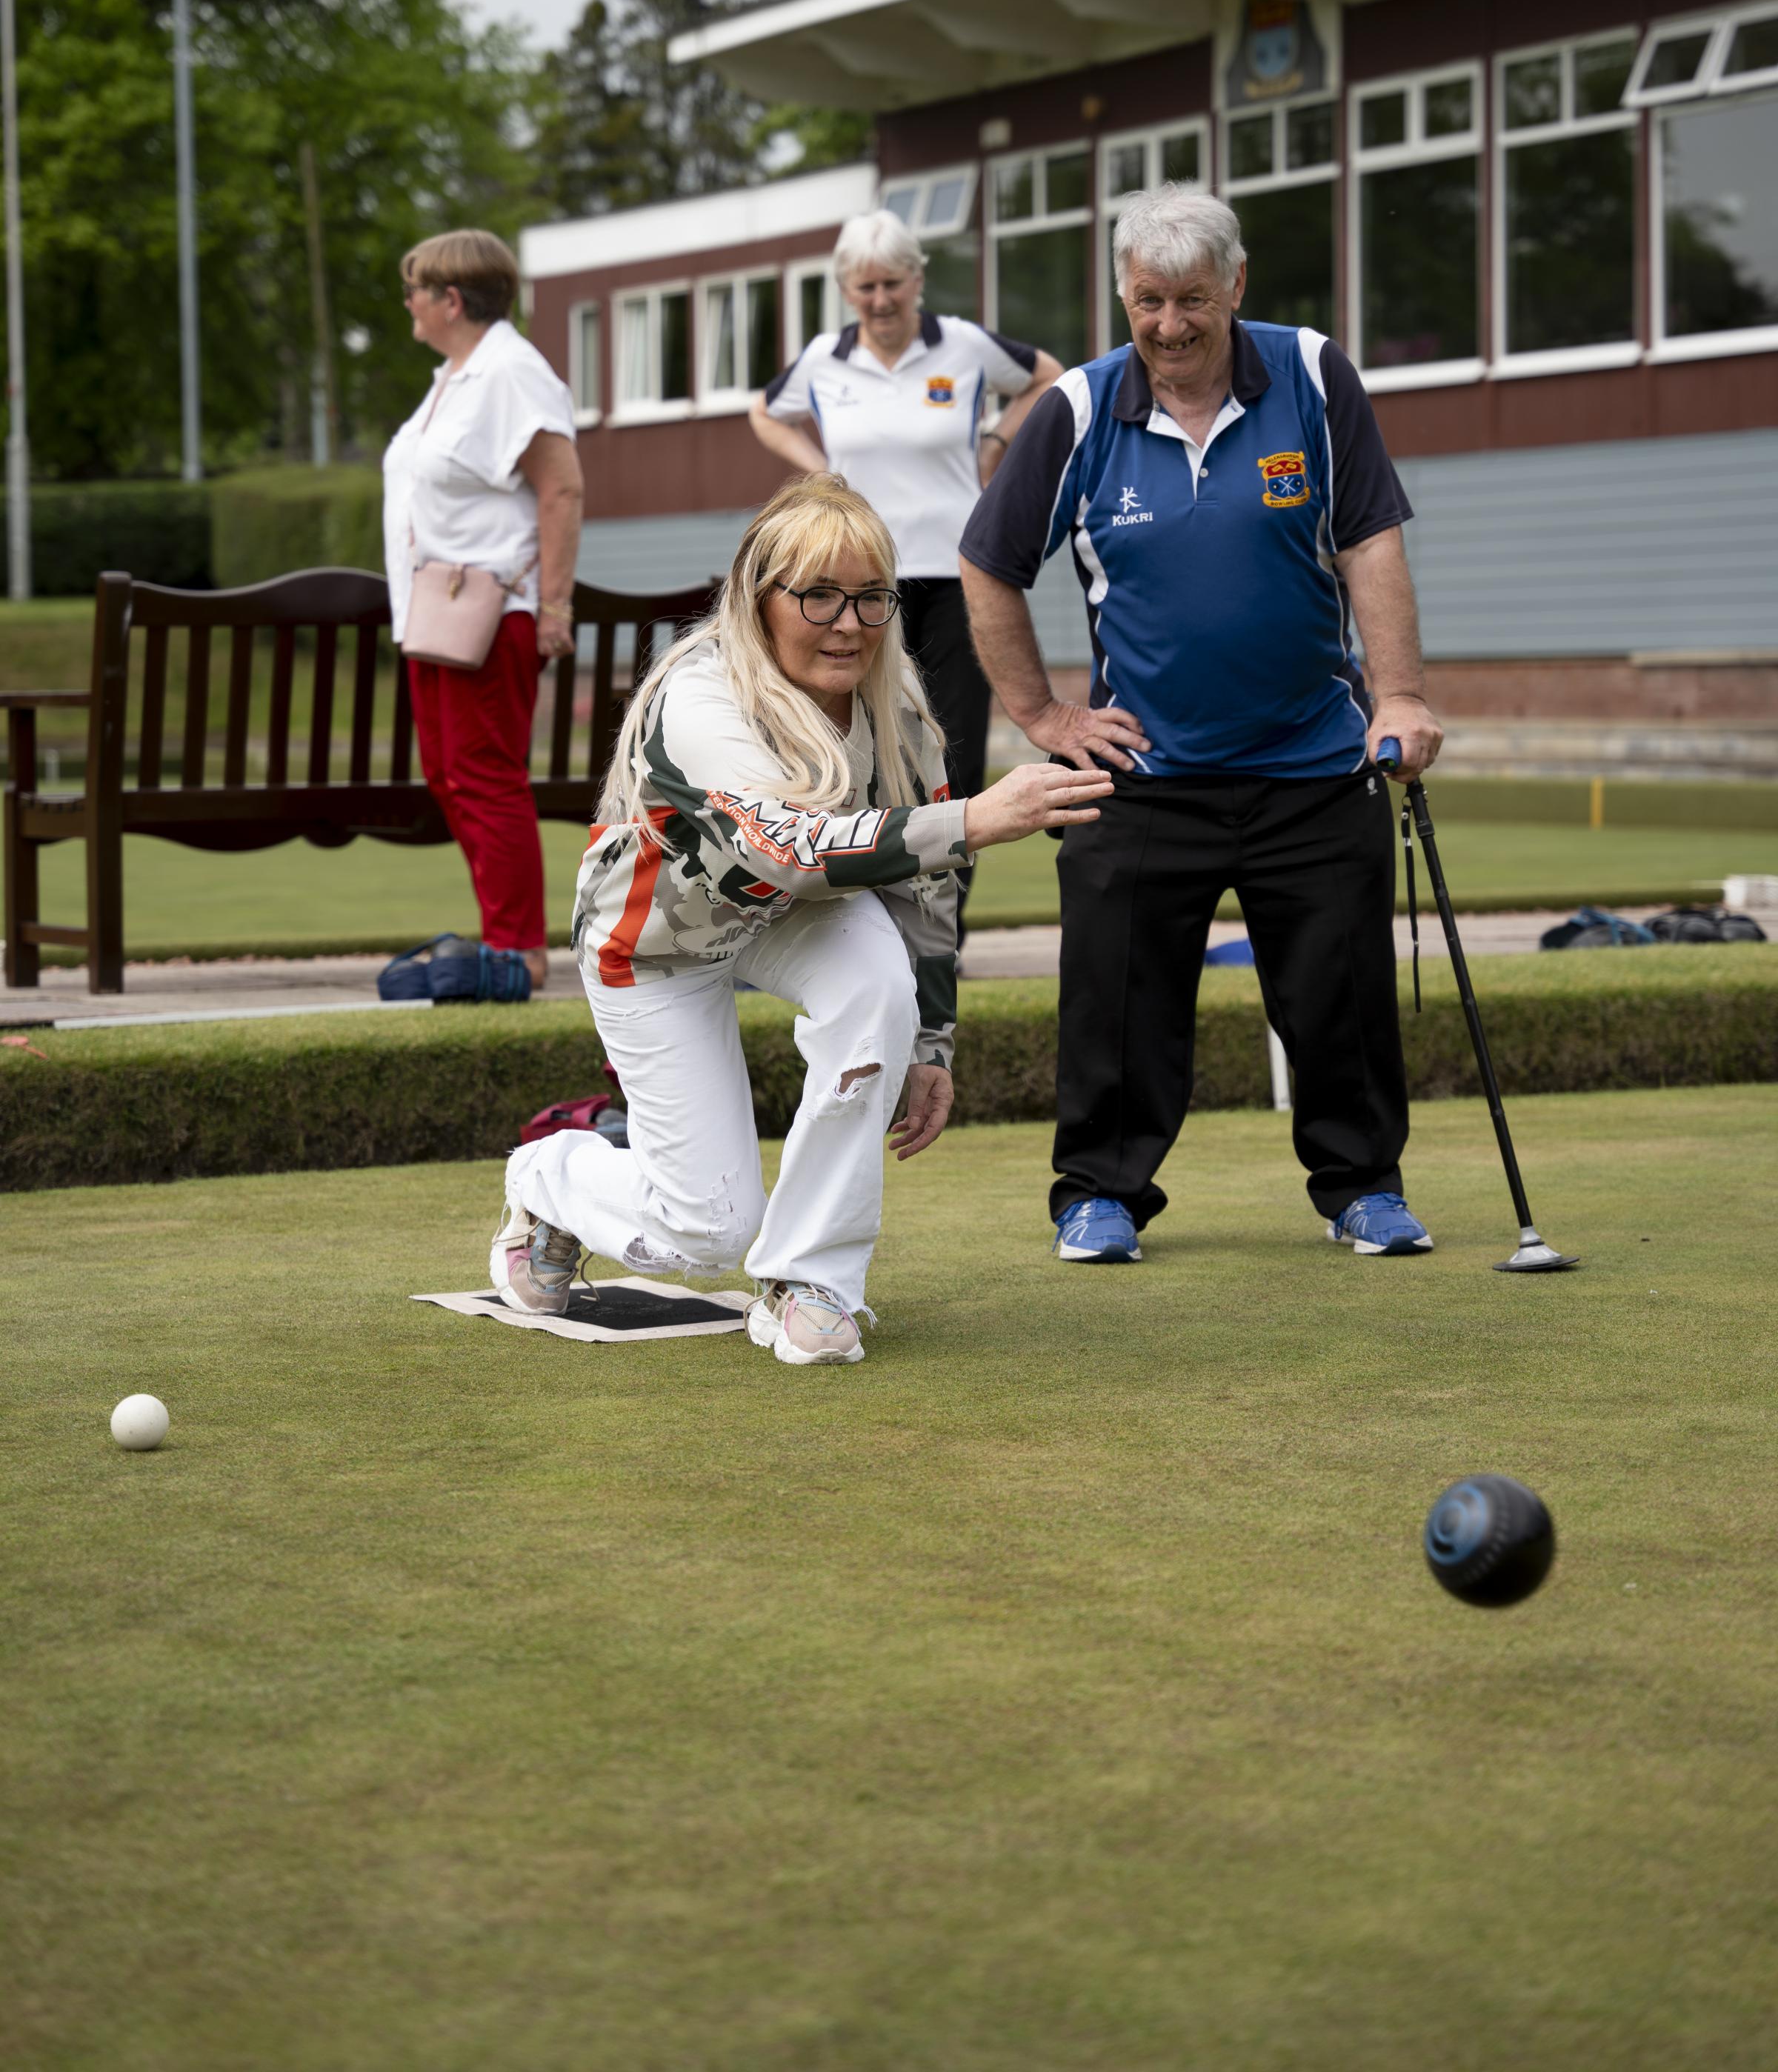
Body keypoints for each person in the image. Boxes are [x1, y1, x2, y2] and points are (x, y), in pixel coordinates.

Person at [494, 473, 1110, 1365]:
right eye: (819, 595)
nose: (849, 623)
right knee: (703, 1232)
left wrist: (929, 1041)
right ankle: (550, 1179)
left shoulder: (895, 704)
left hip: (792, 915)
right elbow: (786, 847)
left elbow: (926, 888)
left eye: (870, 597)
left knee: (876, 982)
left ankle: (810, 1280)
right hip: (659, 939)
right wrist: (978, 816)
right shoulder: (699, 698)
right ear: (757, 598)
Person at [958, 185, 1445, 1265]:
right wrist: (1041, 714)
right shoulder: (1079, 410)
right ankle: (1101, 1197)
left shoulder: (1314, 375)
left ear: (1235, 286)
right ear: (1120, 297)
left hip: (1315, 760)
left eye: (1191, 300)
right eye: (1146, 302)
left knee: (1341, 1000)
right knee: (1115, 1006)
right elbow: (988, 563)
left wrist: (1401, 695)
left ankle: (1364, 1186)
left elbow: (1369, 541)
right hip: (1144, 775)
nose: (1169, 325)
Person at [749, 210, 1061, 926]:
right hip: (860, 584)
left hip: (959, 573)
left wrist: (994, 442)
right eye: (865, 288)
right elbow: (763, 412)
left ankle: (944, 926)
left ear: (917, 280)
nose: (881, 300)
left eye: (893, 283)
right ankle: (864, 914)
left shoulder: (964, 344)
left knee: (951, 744)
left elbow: (1048, 378)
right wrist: (820, 471)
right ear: (846, 291)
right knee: (860, 734)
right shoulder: (826, 359)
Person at [382, 229, 584, 995]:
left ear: (451, 300)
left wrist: (556, 604)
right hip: (435, 611)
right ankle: (505, 942)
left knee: (485, 777)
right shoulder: (455, 375)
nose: (409, 303)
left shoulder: (510, 373)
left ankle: (519, 951)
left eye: (416, 290)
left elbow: (561, 488)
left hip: (490, 609)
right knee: (448, 774)